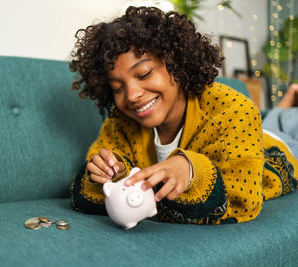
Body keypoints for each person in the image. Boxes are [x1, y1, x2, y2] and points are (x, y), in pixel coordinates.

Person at [68, 6, 298, 224]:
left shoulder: (234, 108)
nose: (132, 95)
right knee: (275, 120)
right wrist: (106, 173)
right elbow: (100, 188)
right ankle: (288, 100)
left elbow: (243, 202)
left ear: (175, 62)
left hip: (281, 148)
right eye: (117, 88)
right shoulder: (120, 123)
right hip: (258, 131)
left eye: (144, 73)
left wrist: (190, 169)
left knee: (287, 123)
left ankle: (289, 102)